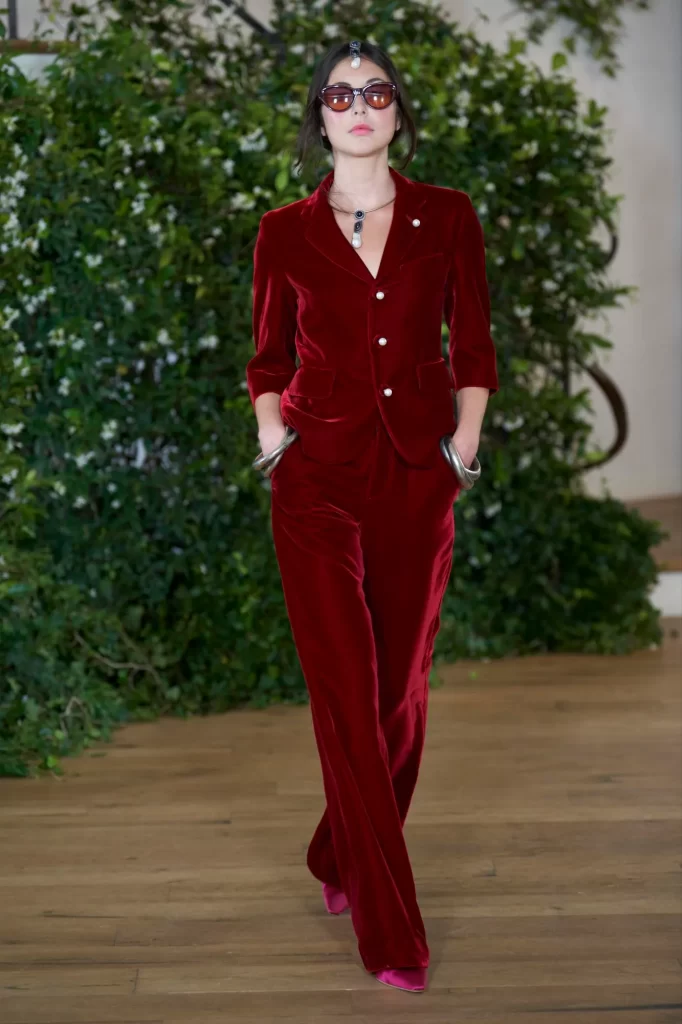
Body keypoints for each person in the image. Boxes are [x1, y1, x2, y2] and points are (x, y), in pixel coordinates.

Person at [246, 39, 499, 993]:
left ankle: (334, 849)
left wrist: (463, 445)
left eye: (376, 92)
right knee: (347, 699)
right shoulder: (283, 231)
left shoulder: (449, 215)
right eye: (340, 94)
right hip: (315, 477)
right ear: (319, 115)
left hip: (416, 476)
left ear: (398, 112)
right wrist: (272, 435)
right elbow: (268, 358)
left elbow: (474, 344)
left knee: (398, 697)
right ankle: (393, 934)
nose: (359, 107)